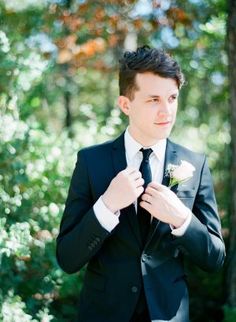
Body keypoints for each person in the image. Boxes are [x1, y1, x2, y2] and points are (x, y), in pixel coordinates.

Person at [56, 46, 225, 322]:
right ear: (125, 105)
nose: (166, 110)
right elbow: (67, 258)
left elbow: (214, 259)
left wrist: (181, 218)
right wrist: (106, 206)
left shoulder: (195, 164)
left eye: (172, 98)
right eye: (153, 100)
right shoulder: (91, 162)